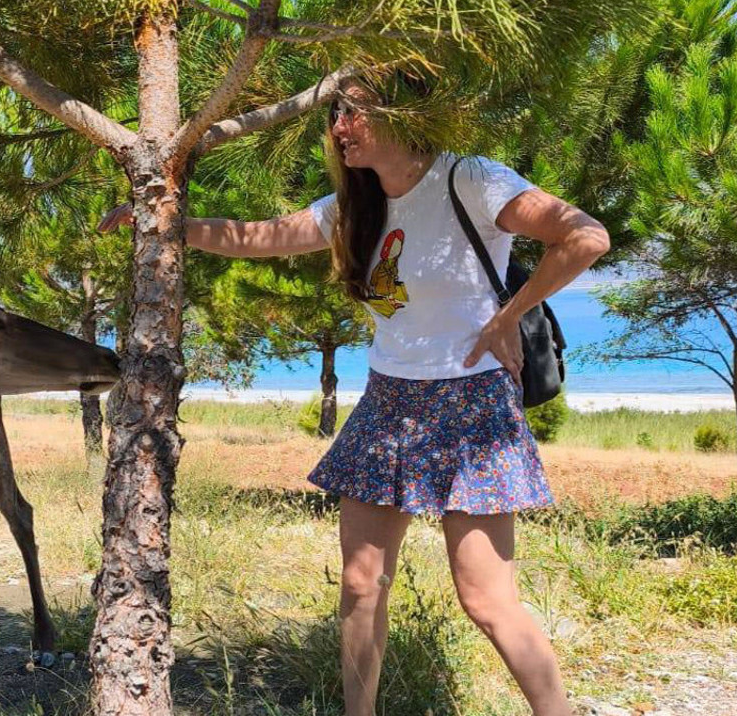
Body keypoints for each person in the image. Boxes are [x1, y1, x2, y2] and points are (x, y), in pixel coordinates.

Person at [97, 81, 610, 716]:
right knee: (361, 585)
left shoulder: (470, 179)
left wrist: (510, 314)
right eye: (336, 111)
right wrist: (164, 223)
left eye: (357, 109)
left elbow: (586, 236)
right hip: (389, 402)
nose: (341, 124)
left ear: (406, 112)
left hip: (471, 403)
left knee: (485, 599)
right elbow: (259, 236)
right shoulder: (354, 206)